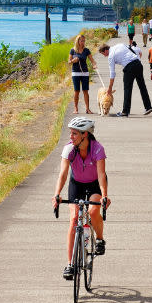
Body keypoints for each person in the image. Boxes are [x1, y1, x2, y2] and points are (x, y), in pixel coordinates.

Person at [52, 117, 108, 279]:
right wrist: (57, 194)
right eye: (71, 133)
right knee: (74, 218)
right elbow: (63, 174)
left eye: (74, 134)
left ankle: (99, 239)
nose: (71, 136)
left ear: (85, 135)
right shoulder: (69, 149)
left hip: (94, 184)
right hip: (76, 183)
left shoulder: (97, 149)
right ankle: (70, 264)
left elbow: (101, 175)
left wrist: (104, 196)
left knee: (93, 210)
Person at [98, 41, 152, 116]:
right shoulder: (120, 44)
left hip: (129, 67)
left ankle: (125, 111)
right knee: (142, 86)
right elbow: (131, 49)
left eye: (103, 53)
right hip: (138, 63)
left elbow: (112, 73)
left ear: (105, 50)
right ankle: (148, 107)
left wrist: (110, 88)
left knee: (127, 89)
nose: (104, 56)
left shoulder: (111, 56)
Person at [69, 34, 95, 114]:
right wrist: (73, 60)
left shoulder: (86, 50)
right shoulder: (73, 50)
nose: (83, 42)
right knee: (76, 91)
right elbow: (69, 62)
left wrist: (94, 65)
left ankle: (87, 109)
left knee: (85, 91)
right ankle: (76, 109)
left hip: (85, 73)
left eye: (84, 41)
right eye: (81, 41)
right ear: (78, 41)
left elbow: (92, 60)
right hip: (75, 73)